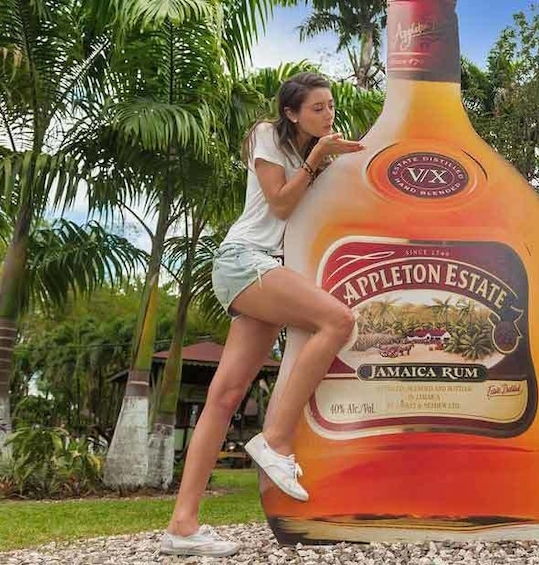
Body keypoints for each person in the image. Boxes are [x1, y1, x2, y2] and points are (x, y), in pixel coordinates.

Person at [160, 72, 365, 557]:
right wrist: (316, 163)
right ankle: (274, 439)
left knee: (225, 396)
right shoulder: (266, 135)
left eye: (331, 106)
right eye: (317, 108)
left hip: (268, 272)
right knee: (337, 321)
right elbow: (277, 205)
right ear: (292, 112)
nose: (328, 115)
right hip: (243, 261)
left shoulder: (316, 153)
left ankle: (182, 525)